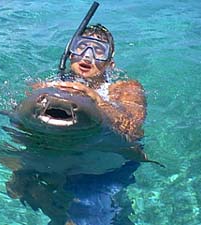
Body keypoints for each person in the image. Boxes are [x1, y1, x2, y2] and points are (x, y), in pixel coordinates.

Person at [31, 24, 147, 225]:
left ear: (110, 63)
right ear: (70, 53)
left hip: (105, 166)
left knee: (90, 210)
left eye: (98, 51)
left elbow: (132, 129)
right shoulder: (48, 86)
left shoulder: (124, 89)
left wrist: (96, 101)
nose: (87, 56)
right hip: (62, 162)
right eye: (82, 47)